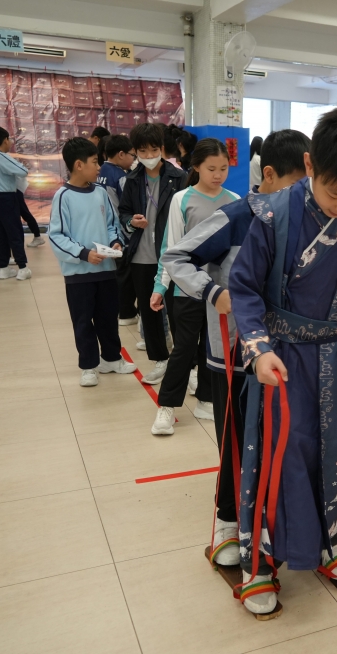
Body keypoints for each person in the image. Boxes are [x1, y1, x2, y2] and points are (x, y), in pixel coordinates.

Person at [228, 108, 337, 615]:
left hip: (334, 358)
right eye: (334, 194)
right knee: (279, 454)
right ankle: (260, 561)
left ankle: (327, 542)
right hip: (279, 359)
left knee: (332, 454)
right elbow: (244, 288)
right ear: (309, 165)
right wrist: (258, 348)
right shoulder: (272, 214)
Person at [161, 129, 311, 566]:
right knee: (235, 440)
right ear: (270, 175)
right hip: (231, 352)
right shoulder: (235, 216)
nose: (304, 195)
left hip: (281, 354)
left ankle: (272, 518)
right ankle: (228, 520)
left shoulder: (302, 218)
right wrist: (213, 293)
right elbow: (175, 257)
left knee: (279, 439)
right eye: (297, 184)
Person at [149, 138, 237, 430]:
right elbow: (170, 247)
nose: (218, 175)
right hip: (186, 289)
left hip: (220, 293)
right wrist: (160, 287)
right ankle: (166, 405)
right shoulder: (181, 199)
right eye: (211, 169)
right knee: (184, 348)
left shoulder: (235, 201)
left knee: (213, 348)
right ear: (196, 166)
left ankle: (206, 400)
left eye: (223, 168)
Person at [47, 137, 136, 387]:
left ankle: (111, 358)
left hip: (106, 270)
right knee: (83, 321)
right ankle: (88, 366)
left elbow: (112, 224)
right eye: (95, 162)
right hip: (78, 274)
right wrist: (84, 253)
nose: (99, 168)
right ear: (78, 165)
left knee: (108, 318)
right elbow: (56, 236)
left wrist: (115, 242)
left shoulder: (100, 192)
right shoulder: (63, 196)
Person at [117, 123, 188, 384]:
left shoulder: (178, 177)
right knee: (150, 313)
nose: (149, 156)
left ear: (162, 149)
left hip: (172, 256)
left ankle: (187, 365)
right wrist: (131, 221)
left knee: (178, 312)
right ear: (135, 151)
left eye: (154, 150)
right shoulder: (132, 180)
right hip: (142, 255)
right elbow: (123, 212)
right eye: (143, 151)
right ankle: (161, 360)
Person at [98, 134, 139, 324]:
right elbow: (127, 206)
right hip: (121, 232)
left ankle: (116, 309)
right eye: (133, 155)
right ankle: (126, 312)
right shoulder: (121, 177)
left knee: (114, 273)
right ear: (121, 154)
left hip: (103, 230)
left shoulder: (99, 171)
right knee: (125, 274)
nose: (134, 159)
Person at [0, 125, 31, 280]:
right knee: (14, 232)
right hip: (6, 198)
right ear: (5, 140)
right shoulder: (2, 156)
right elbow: (23, 171)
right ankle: (22, 267)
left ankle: (3, 267)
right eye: (9, 139)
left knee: (0, 233)